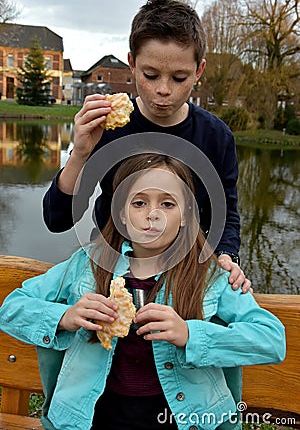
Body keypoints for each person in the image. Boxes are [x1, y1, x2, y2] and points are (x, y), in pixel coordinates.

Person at [0, 154, 285, 430]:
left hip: (180, 419)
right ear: (122, 214)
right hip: (94, 417)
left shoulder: (211, 275)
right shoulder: (87, 265)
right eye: (139, 203)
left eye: (167, 204)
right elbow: (11, 308)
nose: (153, 215)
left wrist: (191, 335)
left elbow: (271, 339)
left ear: (186, 215)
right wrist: (66, 316)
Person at [43, 0, 248, 292]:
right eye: (150, 75)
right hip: (109, 275)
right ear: (132, 64)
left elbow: (225, 214)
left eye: (179, 78)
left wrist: (227, 256)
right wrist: (80, 154)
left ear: (199, 70)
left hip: (184, 280)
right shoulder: (107, 127)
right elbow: (58, 219)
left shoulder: (216, 137)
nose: (163, 90)